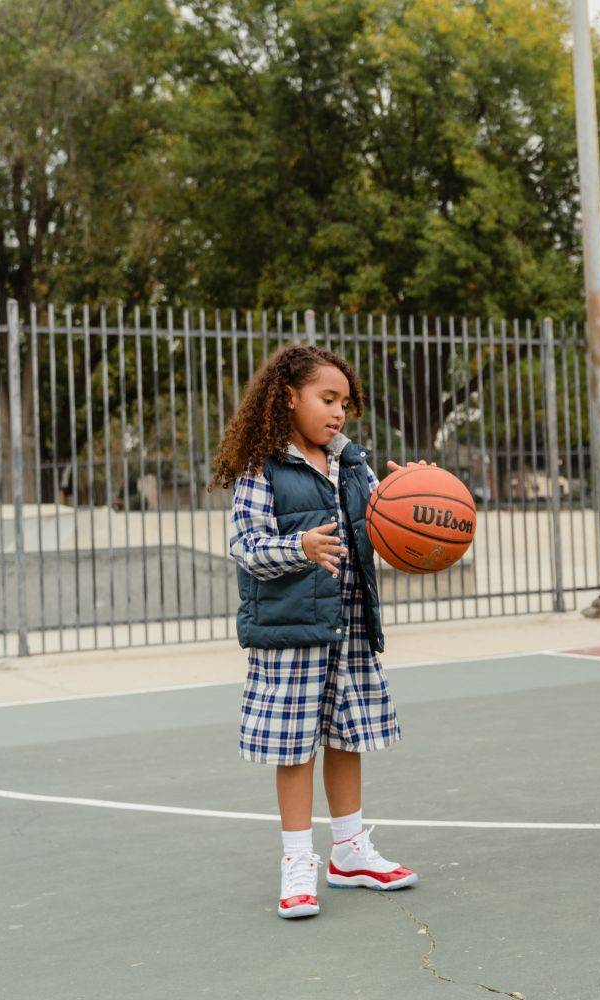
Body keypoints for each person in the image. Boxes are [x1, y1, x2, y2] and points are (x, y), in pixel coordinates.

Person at [211, 344, 422, 918]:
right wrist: (299, 547)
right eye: (326, 399)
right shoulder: (263, 467)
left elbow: (385, 520)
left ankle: (350, 851)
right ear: (288, 397)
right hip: (293, 629)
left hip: (349, 622)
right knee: (295, 744)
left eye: (345, 404)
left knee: (348, 734)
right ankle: (297, 858)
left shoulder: (353, 463)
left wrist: (415, 497)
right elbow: (246, 547)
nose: (338, 413)